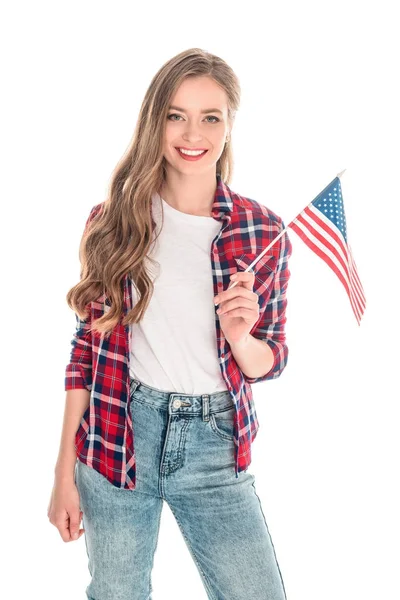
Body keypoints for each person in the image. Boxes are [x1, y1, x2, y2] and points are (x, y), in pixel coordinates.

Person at [47, 47, 292, 600]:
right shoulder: (114, 223)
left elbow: (269, 359)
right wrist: (64, 472)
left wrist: (239, 337)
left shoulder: (262, 231)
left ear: (229, 126)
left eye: (211, 117)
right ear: (155, 120)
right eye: (176, 114)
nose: (192, 132)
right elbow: (85, 353)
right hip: (117, 434)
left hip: (214, 444)